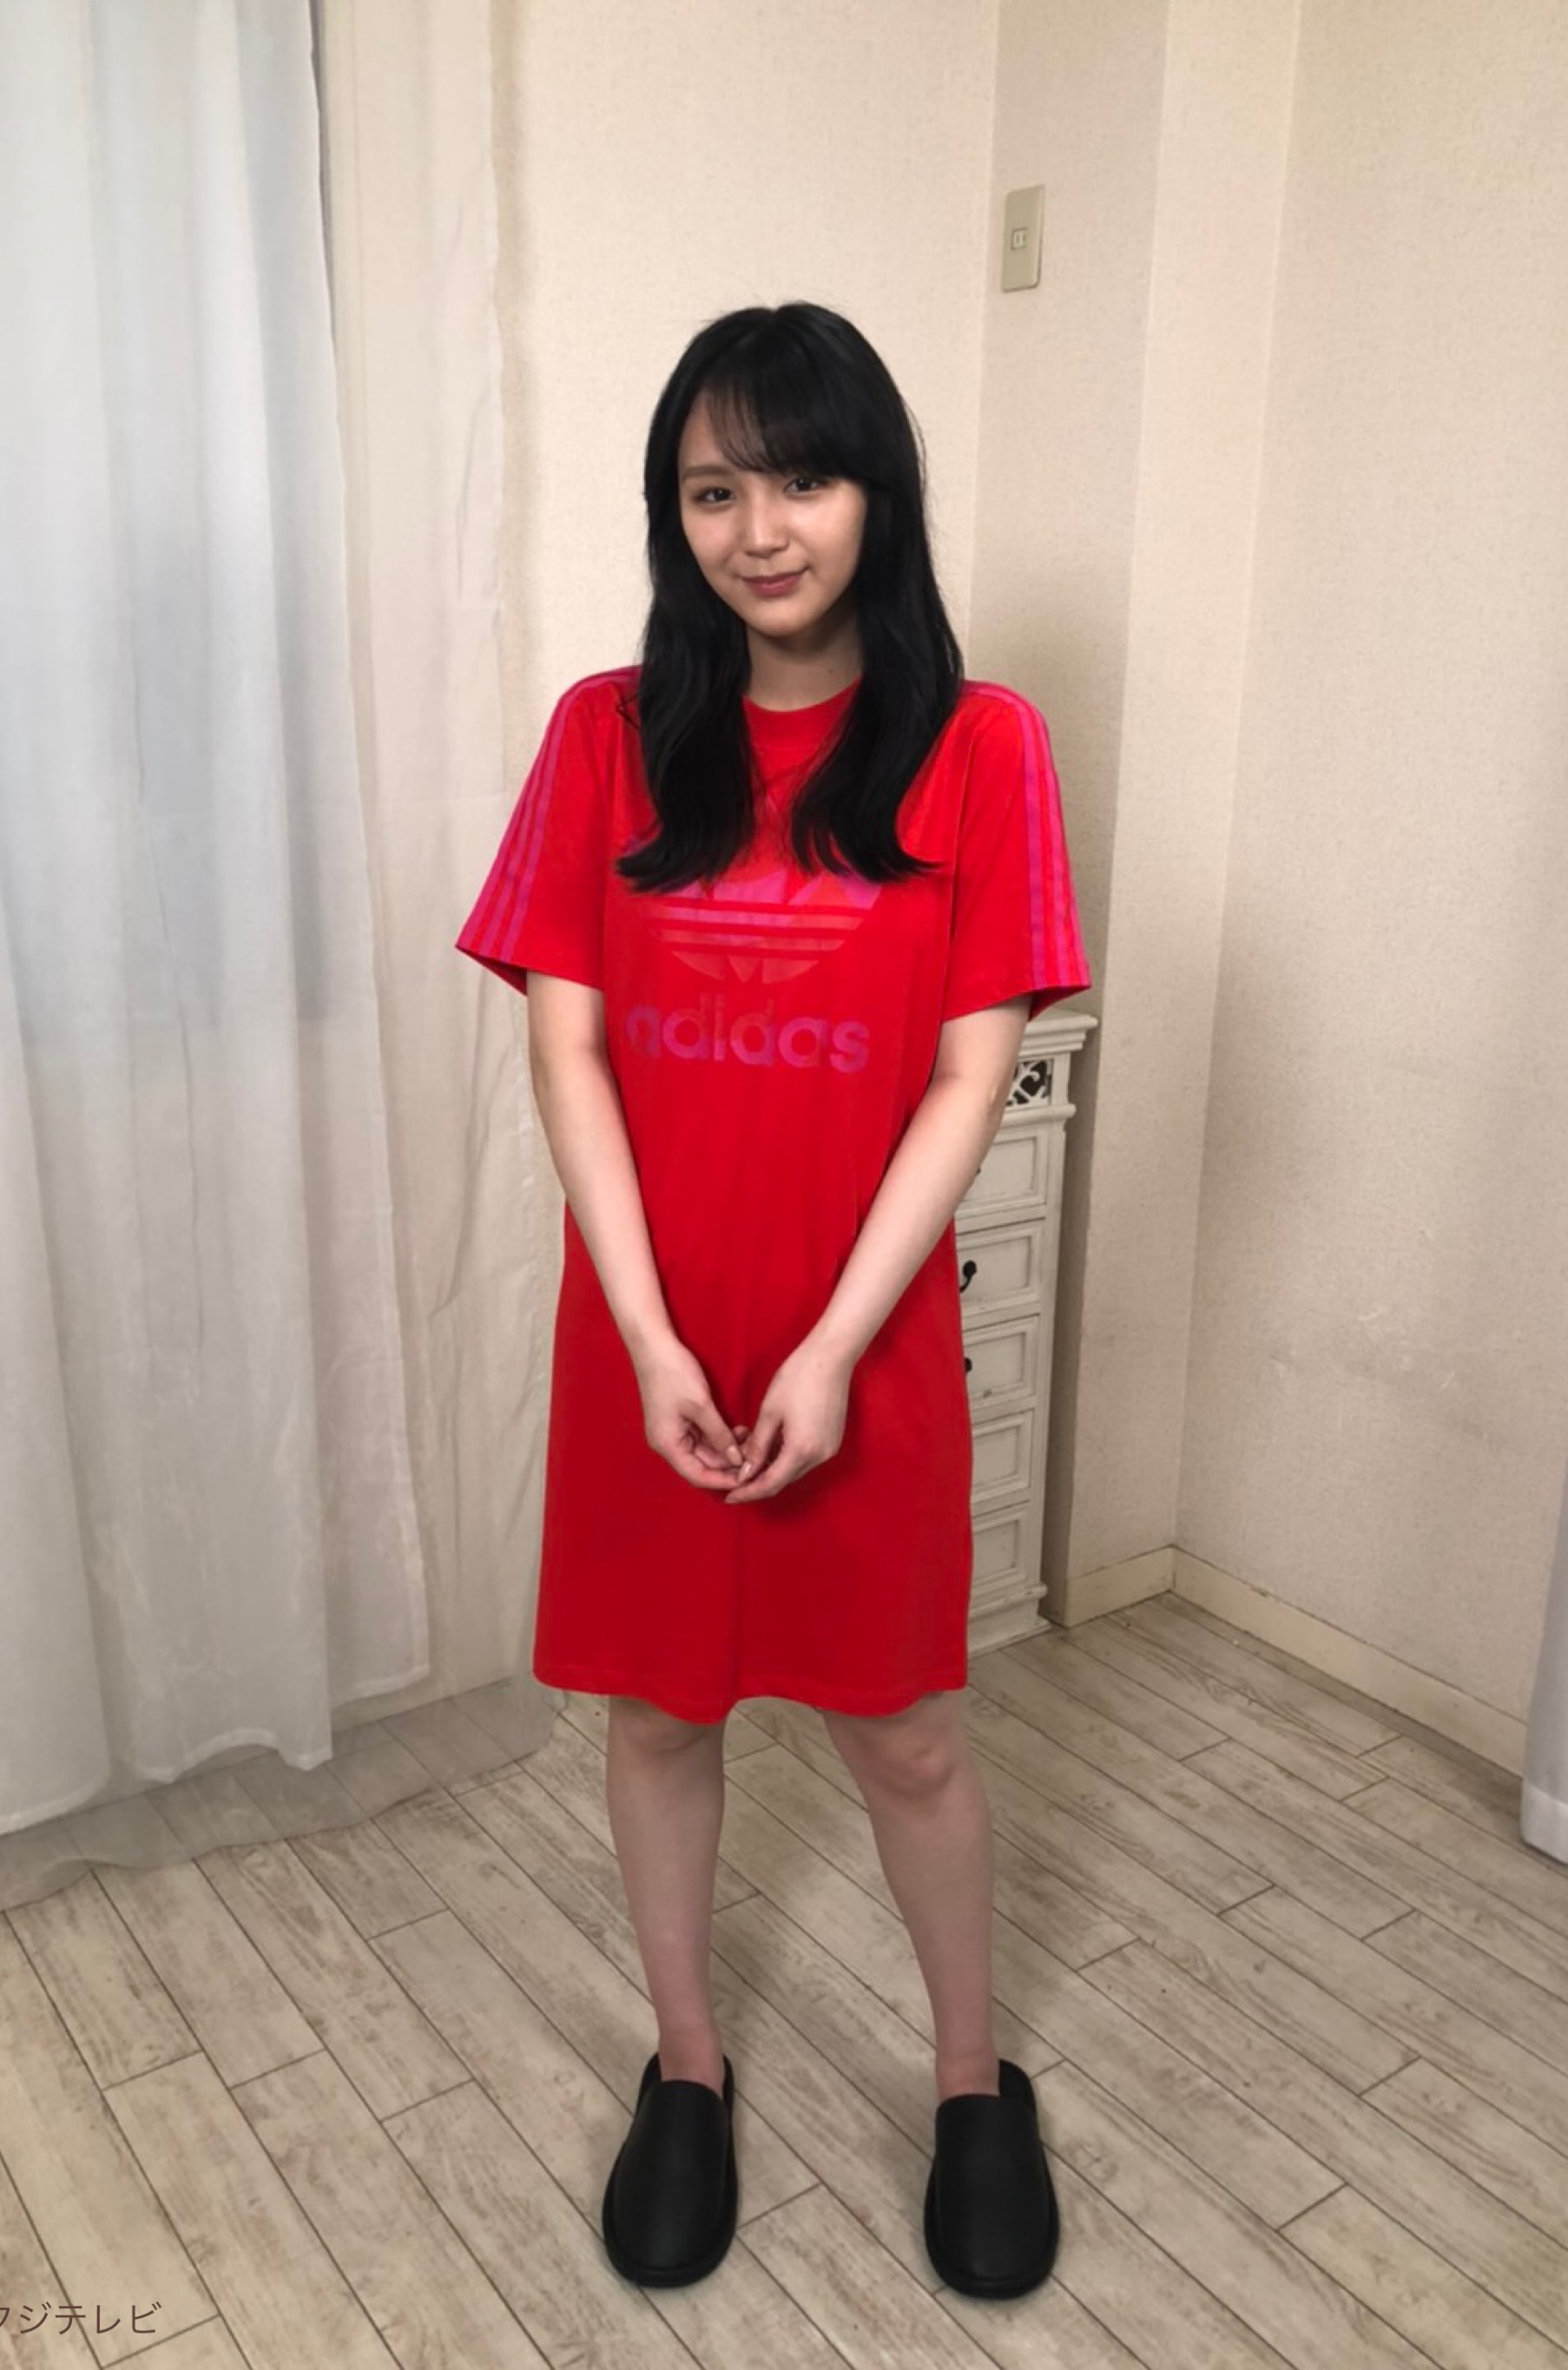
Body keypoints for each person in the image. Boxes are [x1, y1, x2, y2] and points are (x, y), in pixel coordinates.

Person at [456, 302, 1090, 2298]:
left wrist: (827, 1347)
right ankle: (688, 2067)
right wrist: (652, 1339)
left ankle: (974, 2084)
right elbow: (566, 1050)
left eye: (800, 479)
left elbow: (970, 1075)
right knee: (658, 1717)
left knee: (905, 1741)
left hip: (857, 1348)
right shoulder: (605, 734)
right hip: (648, 1344)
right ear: (674, 516)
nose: (758, 529)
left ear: (874, 494)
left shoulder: (981, 747)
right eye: (712, 489)